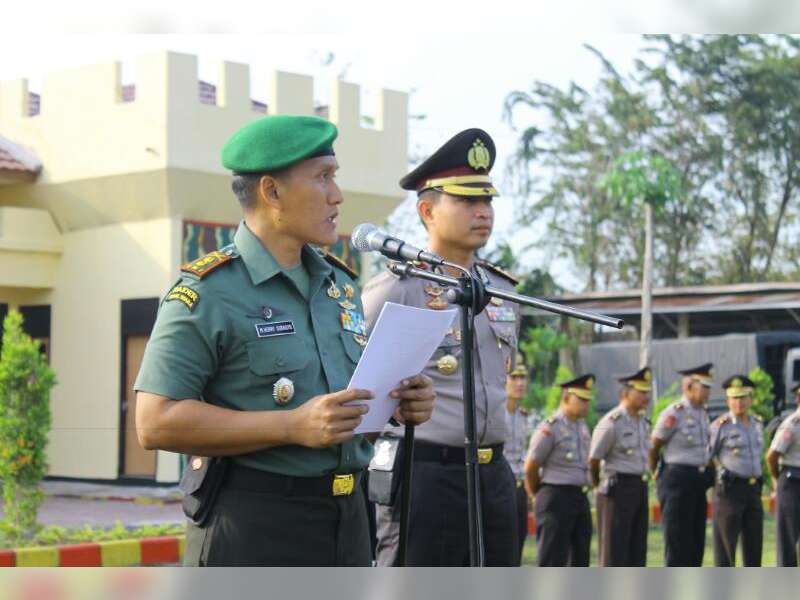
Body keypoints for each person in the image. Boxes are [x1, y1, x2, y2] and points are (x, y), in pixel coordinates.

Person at [133, 115, 436, 567]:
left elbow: (336, 407)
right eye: (323, 178)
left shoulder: (340, 286)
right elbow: (155, 422)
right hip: (255, 525)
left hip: (348, 520)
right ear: (271, 192)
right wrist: (290, 426)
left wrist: (397, 403)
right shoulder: (208, 292)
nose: (337, 194)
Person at [362, 128, 521, 567]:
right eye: (467, 201)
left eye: (487, 200)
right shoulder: (396, 289)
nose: (482, 211)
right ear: (427, 211)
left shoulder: (502, 291)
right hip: (428, 474)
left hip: (493, 473)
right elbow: (353, 385)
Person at [525, 374, 593, 567]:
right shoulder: (550, 428)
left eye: (588, 399)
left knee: (580, 558)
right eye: (581, 399)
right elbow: (531, 466)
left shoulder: (581, 427)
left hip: (579, 496)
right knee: (552, 558)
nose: (586, 404)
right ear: (566, 398)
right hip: (556, 497)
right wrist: (536, 494)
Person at [650, 362, 714, 566]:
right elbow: (654, 446)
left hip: (697, 483)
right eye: (704, 386)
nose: (708, 391)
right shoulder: (674, 413)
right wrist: (656, 474)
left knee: (696, 542)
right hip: (677, 481)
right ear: (688, 387)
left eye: (709, 386)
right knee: (678, 542)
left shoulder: (703, 413)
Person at [589, 367, 652, 566]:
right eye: (641, 391)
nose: (646, 396)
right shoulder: (610, 422)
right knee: (614, 550)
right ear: (626, 393)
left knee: (637, 548)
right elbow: (594, 459)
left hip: (639, 487)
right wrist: (599, 485)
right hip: (616, 490)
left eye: (647, 391)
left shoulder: (643, 422)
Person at [708, 375, 764, 567]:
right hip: (729, 490)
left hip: (753, 489)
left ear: (751, 399)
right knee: (726, 546)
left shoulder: (757, 423)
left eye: (742, 397)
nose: (738, 402)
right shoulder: (720, 426)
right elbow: (706, 456)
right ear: (727, 401)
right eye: (734, 398)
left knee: (754, 543)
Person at [767, 382, 800, 566]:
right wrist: (775, 479)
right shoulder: (792, 424)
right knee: (788, 539)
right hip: (792, 482)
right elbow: (772, 456)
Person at [504, 352, 532, 565]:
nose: (520, 383)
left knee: (519, 543)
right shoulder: (494, 413)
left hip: (520, 487)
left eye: (523, 378)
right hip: (500, 486)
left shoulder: (523, 416)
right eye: (514, 377)